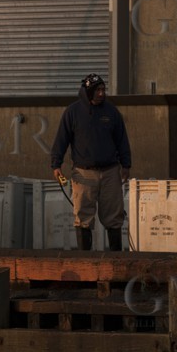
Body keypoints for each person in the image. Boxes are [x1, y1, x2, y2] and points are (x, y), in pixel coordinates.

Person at [49, 73, 131, 251]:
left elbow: (122, 139)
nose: (102, 93)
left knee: (114, 217)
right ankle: (85, 261)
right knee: (83, 217)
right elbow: (61, 139)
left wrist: (126, 164)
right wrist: (56, 164)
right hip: (83, 172)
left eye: (103, 90)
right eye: (98, 90)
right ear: (89, 91)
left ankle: (115, 263)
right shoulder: (73, 112)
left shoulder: (111, 112)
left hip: (110, 171)